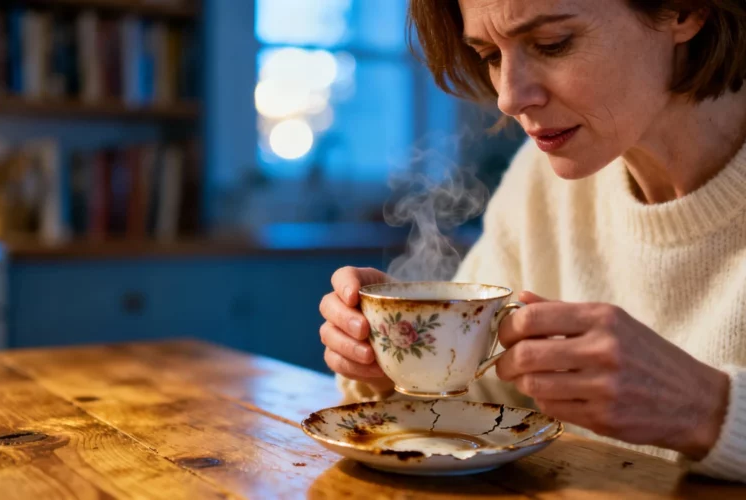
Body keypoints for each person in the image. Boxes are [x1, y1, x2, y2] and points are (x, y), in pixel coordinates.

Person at [317, 0, 746, 482]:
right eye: (490, 55)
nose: (509, 97)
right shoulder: (541, 181)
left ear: (683, 11)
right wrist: (395, 363)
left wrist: (707, 411)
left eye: (552, 44)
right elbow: (478, 404)